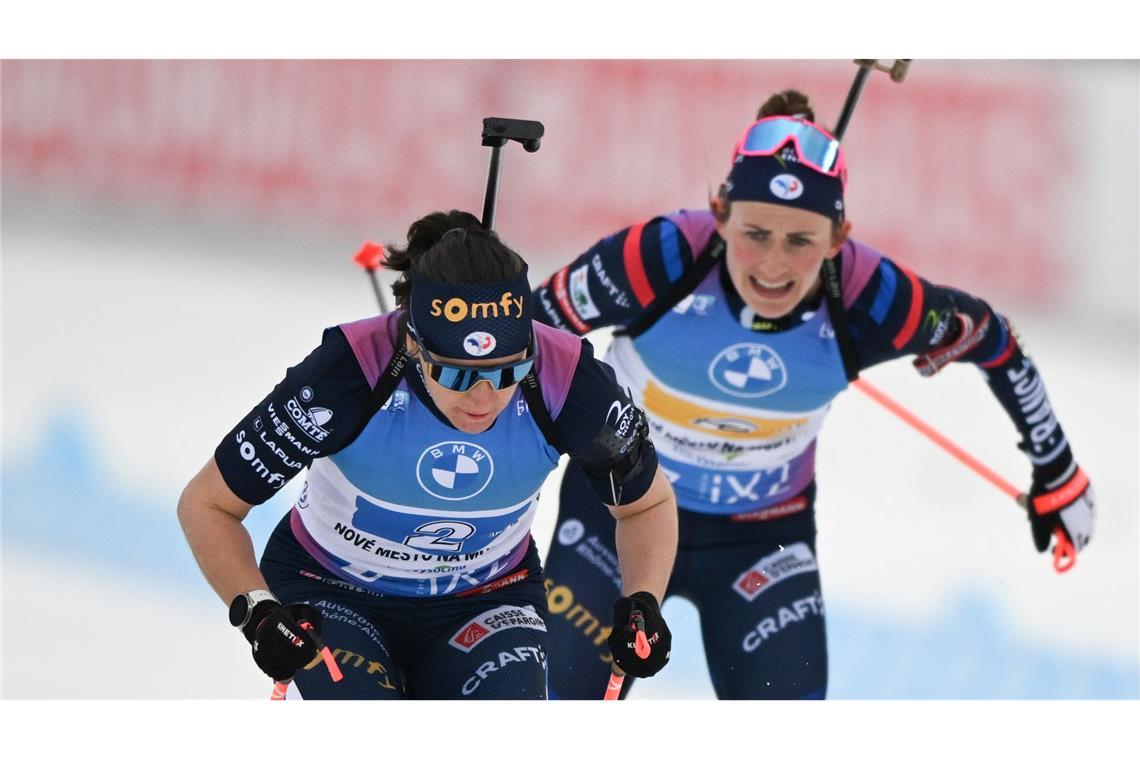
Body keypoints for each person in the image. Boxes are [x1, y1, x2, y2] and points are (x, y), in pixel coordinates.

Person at [532, 90, 1095, 699]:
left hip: (759, 540)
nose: (774, 264)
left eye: (801, 240)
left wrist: (1058, 470)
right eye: (756, 232)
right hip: (618, 518)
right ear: (720, 213)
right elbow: (526, 341)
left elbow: (993, 339)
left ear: (838, 236)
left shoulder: (870, 296)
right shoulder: (663, 256)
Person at [177, 210, 678, 699]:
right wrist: (258, 611)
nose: (483, 400)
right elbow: (209, 504)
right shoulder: (350, 373)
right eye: (458, 375)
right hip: (332, 588)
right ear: (414, 344)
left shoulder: (567, 380)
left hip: (486, 597)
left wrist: (644, 601)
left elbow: (646, 504)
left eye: (506, 372)